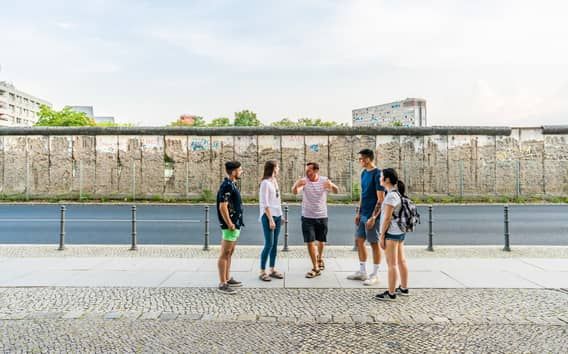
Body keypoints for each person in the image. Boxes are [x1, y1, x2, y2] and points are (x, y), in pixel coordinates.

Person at [292, 162, 339, 278]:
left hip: (322, 215)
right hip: (307, 216)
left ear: (316, 170)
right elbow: (294, 192)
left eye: (309, 170)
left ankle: (320, 258)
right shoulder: (305, 181)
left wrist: (331, 185)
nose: (307, 173)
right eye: (306, 170)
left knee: (321, 241)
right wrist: (296, 184)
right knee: (310, 242)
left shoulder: (324, 180)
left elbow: (336, 191)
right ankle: (315, 267)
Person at [347, 149, 385, 286]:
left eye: (361, 159)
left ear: (368, 159)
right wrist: (358, 212)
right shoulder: (364, 173)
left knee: (374, 243)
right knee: (359, 241)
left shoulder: (377, 174)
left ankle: (375, 274)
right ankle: (362, 272)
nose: (360, 161)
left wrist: (374, 217)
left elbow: (381, 199)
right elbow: (363, 194)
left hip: (372, 215)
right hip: (363, 214)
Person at [375, 168, 409, 301]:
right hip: (399, 232)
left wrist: (382, 236)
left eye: (381, 177)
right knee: (401, 260)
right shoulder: (397, 193)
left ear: (387, 179)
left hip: (391, 233)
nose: (380, 179)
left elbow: (387, 218)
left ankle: (391, 293)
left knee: (392, 264)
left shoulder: (390, 196)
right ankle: (404, 288)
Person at [216, 161, 244, 295]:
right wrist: (229, 223)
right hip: (230, 226)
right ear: (233, 172)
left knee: (230, 252)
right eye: (240, 170)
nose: (241, 171)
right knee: (225, 253)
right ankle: (222, 283)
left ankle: (227, 278)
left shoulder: (231, 184)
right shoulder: (227, 185)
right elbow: (223, 206)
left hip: (235, 224)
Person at [258, 160, 284, 282]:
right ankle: (262, 271)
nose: (279, 169)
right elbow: (265, 203)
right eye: (277, 167)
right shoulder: (265, 183)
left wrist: (281, 215)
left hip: (277, 216)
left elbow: (277, 201)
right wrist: (270, 220)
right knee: (269, 244)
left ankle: (272, 269)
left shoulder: (274, 181)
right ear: (273, 168)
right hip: (268, 217)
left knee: (274, 244)